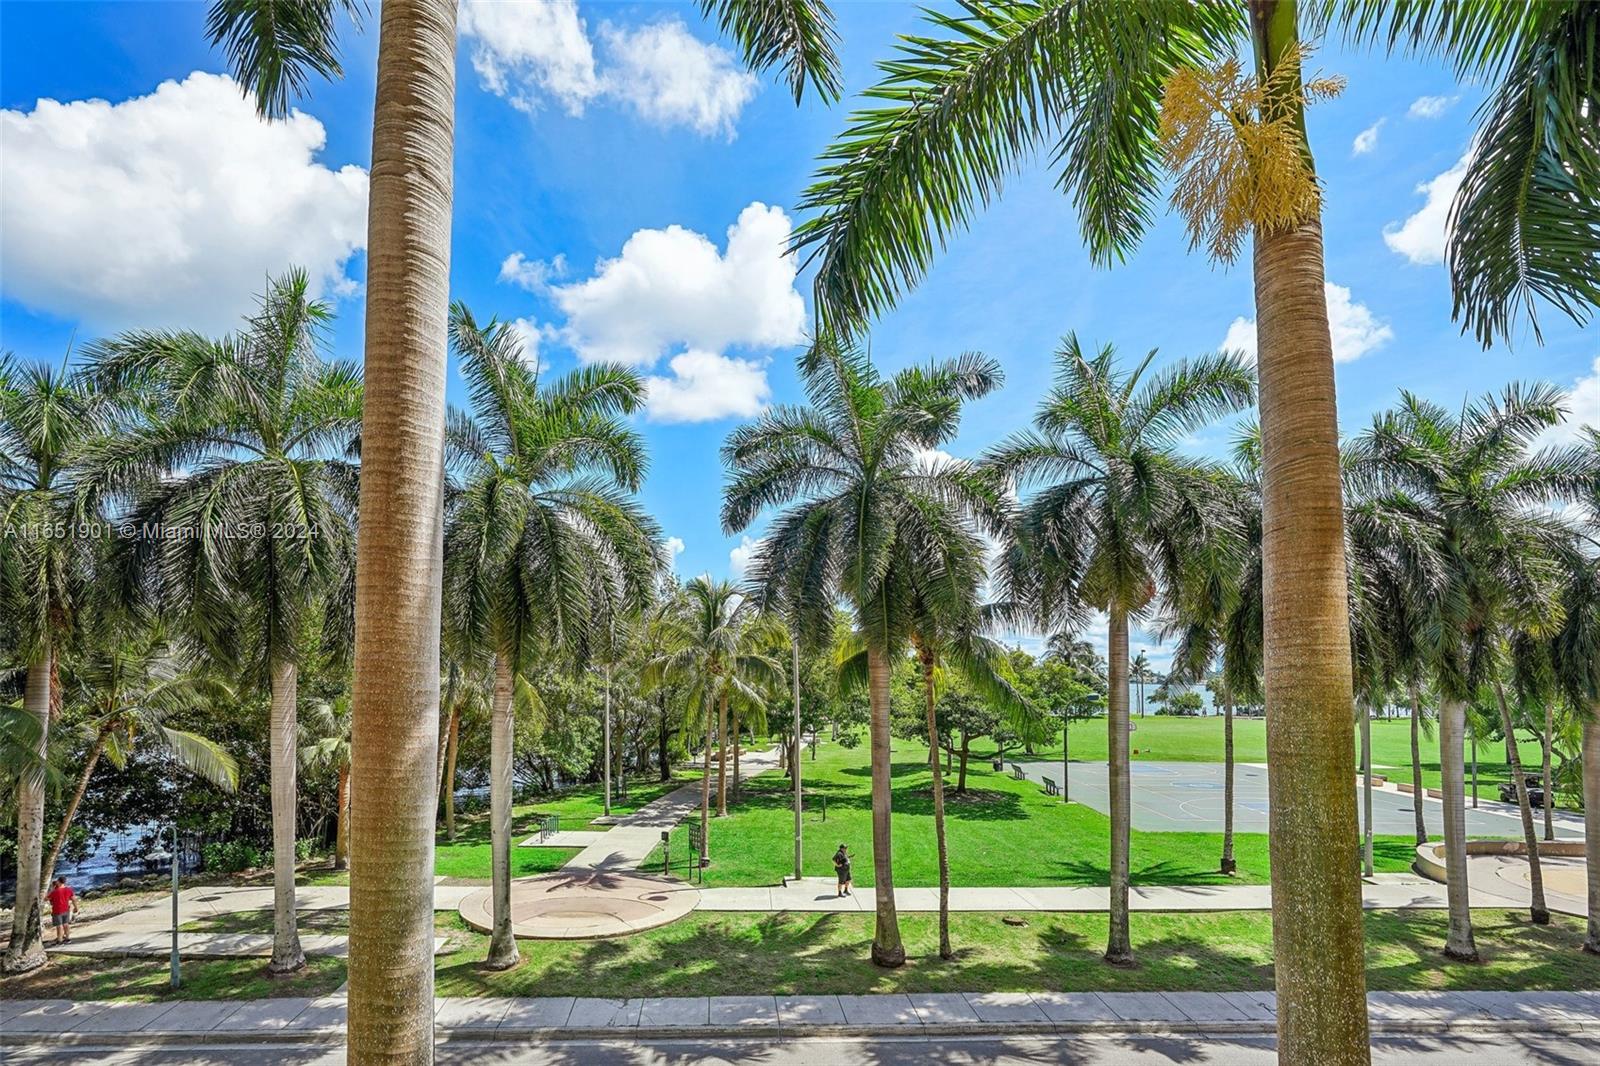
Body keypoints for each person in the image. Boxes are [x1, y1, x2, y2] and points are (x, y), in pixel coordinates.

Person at [47, 876, 78, 945]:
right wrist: (76, 907)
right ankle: (67, 938)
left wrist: (51, 889)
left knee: (59, 926)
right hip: (66, 909)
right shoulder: (69, 890)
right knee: (66, 924)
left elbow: (46, 899)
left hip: (57, 910)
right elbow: (73, 899)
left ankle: (59, 940)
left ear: (58, 881)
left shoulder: (54, 892)